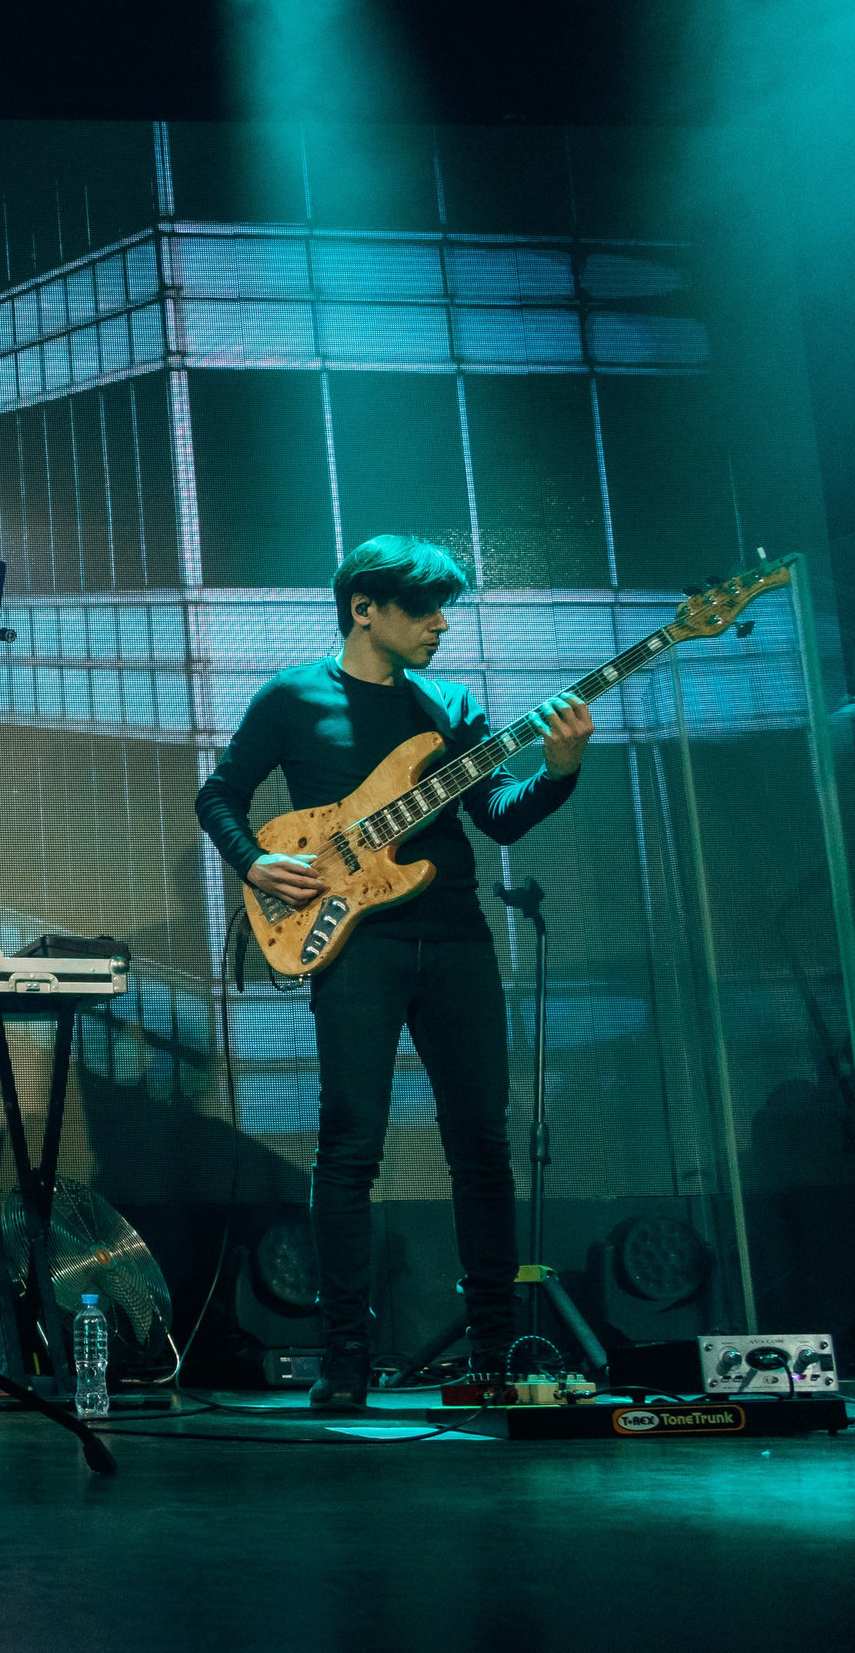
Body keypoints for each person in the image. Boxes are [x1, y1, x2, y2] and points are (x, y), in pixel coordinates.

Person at [194, 535, 593, 1410]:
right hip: (355, 943)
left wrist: (559, 772)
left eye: (445, 609)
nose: (441, 625)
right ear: (363, 609)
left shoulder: (452, 707)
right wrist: (254, 860)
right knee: (349, 1148)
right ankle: (345, 1357)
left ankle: (492, 1351)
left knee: (481, 1147)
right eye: (423, 610)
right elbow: (218, 794)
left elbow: (500, 820)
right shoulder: (294, 696)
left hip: (456, 939)